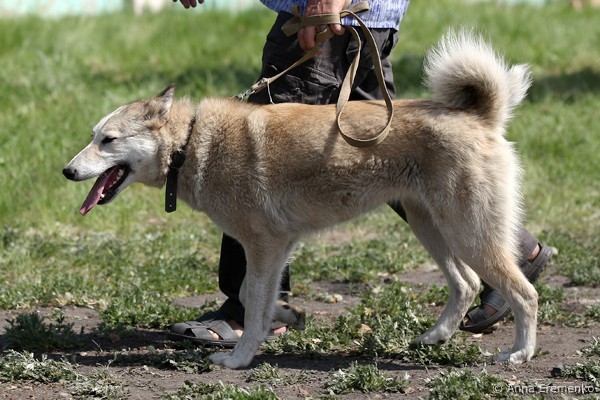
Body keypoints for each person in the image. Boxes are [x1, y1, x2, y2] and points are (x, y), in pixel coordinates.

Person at [168, 0, 552, 346]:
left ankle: (248, 312)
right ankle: (511, 249)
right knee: (393, 149)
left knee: (243, 168)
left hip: (324, 16)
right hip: (362, 18)